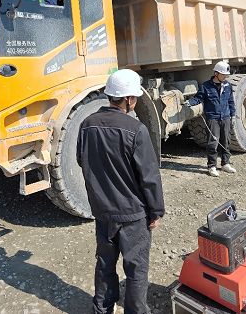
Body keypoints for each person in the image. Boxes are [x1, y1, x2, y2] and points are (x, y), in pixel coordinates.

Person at [77, 69, 165, 314]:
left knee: (105, 263)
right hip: (132, 215)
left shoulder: (86, 124)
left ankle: (102, 309)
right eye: (134, 98)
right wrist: (156, 212)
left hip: (102, 211)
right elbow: (149, 177)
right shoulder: (136, 129)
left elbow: (81, 160)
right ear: (128, 98)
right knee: (136, 268)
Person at [188, 61, 237, 177]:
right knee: (213, 143)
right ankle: (212, 166)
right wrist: (189, 102)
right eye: (223, 75)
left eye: (226, 75)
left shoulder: (228, 86)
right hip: (213, 118)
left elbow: (231, 101)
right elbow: (198, 98)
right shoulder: (206, 86)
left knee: (226, 141)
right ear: (216, 73)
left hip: (225, 117)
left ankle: (225, 163)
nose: (225, 77)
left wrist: (233, 115)